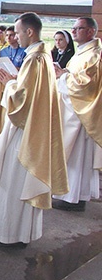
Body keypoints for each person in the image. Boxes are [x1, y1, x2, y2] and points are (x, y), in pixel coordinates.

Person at [0, 12, 68, 248]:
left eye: (18, 32)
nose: (15, 36)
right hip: (35, 128)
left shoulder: (34, 60)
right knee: (21, 182)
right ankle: (24, 233)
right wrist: (16, 79)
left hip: (25, 132)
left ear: (30, 32)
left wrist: (9, 83)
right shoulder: (43, 56)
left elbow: (22, 100)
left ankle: (9, 235)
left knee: (13, 181)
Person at [52, 17, 102, 211]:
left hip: (81, 115)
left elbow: (86, 86)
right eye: (73, 28)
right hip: (74, 111)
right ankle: (73, 196)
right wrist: (63, 71)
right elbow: (74, 76)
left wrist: (62, 76)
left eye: (78, 28)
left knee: (76, 158)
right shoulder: (82, 53)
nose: (73, 32)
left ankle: (73, 198)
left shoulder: (94, 55)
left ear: (90, 31)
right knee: (73, 158)